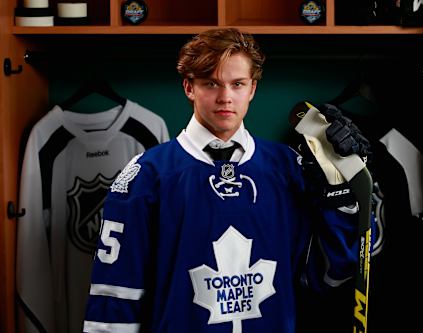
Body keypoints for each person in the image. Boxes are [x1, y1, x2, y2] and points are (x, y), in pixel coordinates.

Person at [83, 28, 369, 333]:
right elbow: (114, 301)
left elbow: (330, 275)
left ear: (252, 89)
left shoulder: (289, 169)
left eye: (237, 84)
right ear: (189, 87)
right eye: (211, 84)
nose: (225, 98)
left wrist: (342, 195)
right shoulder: (146, 176)